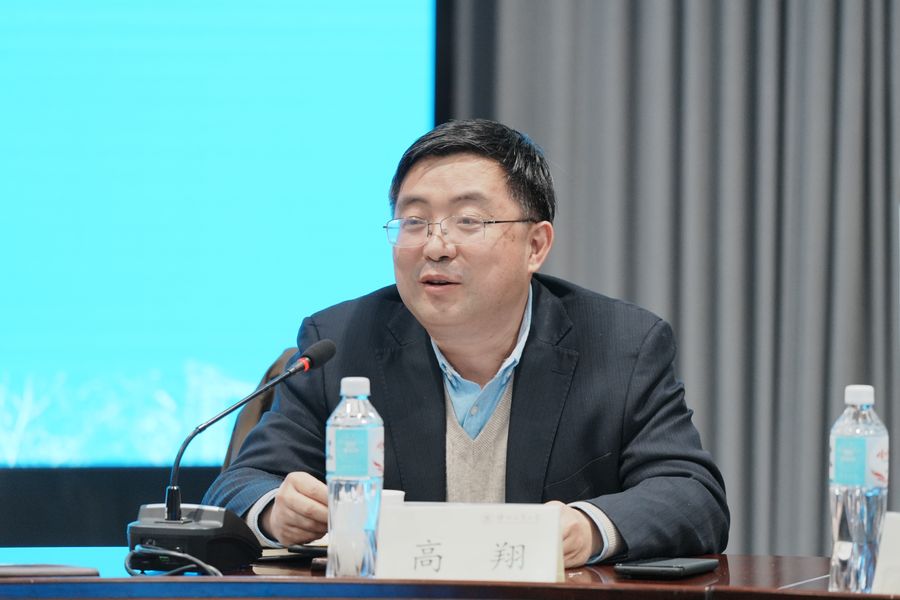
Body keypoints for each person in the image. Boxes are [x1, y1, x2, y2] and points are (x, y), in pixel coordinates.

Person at [203, 119, 729, 567]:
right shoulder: (340, 340)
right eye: (414, 221)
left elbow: (692, 496)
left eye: (468, 221)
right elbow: (239, 484)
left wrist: (588, 528)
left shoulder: (620, 345)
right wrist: (276, 510)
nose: (436, 246)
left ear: (536, 245)